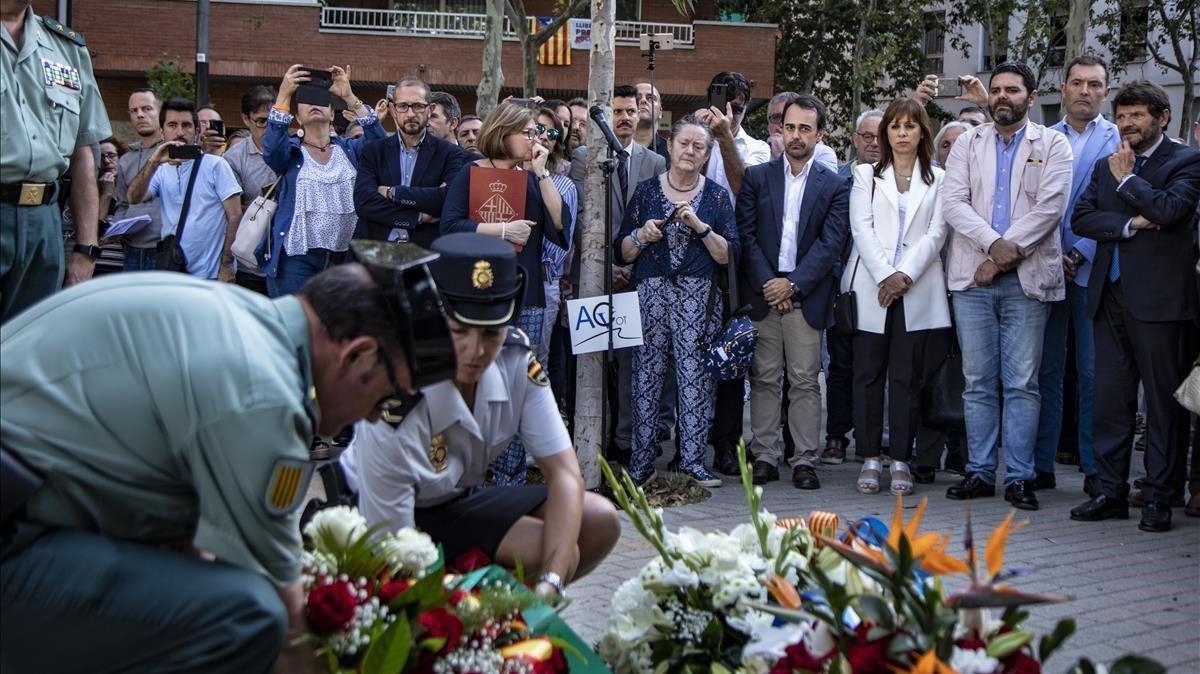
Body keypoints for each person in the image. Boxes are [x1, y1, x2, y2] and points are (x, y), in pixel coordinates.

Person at [0, 243, 441, 672]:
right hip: (14, 536)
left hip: (26, 516)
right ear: (357, 354)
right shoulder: (264, 390)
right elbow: (287, 618)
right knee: (250, 617)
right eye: (384, 396)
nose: (370, 417)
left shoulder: (238, 317)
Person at [340, 233, 619, 602]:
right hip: (374, 511)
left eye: (491, 333)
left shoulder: (515, 358)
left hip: (452, 501)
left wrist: (552, 582)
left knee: (596, 521)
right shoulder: (396, 393)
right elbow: (391, 548)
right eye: (459, 331)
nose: (476, 351)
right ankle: (473, 630)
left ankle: (517, 625)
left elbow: (565, 474)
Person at [1069, 80, 1200, 533]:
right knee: (1110, 400)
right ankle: (1109, 491)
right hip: (1109, 296)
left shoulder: (1187, 160)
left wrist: (1128, 180)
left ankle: (1161, 497)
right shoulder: (1107, 164)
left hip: (1162, 303)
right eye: (1122, 116)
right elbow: (1081, 218)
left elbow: (1170, 210)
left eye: (1137, 116)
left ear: (1161, 117)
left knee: (1163, 406)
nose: (1127, 124)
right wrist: (1129, 222)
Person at [941, 62, 1073, 511]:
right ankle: (979, 472)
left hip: (1025, 280)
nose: (1002, 97)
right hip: (971, 279)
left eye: (1012, 90)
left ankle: (1019, 477)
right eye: (995, 90)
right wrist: (993, 244)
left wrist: (999, 259)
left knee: (1022, 383)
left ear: (1031, 97)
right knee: (977, 383)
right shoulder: (966, 144)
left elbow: (1051, 209)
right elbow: (954, 203)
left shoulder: (1054, 144)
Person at [442, 102, 569, 485]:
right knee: (474, 386)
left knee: (516, 388)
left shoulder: (532, 178)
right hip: (477, 297)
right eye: (528, 133)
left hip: (524, 293)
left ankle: (509, 479)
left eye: (537, 134)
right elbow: (449, 227)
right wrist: (501, 231)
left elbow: (558, 227)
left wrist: (542, 172)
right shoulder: (468, 173)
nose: (535, 139)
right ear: (504, 131)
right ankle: (465, 474)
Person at [615, 115, 739, 487]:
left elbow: (728, 255)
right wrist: (641, 235)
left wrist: (700, 227)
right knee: (645, 376)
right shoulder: (646, 192)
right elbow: (623, 252)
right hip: (649, 293)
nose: (689, 151)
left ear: (706, 156)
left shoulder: (716, 196)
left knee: (695, 378)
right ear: (668, 147)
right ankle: (640, 463)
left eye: (698, 146)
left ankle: (692, 461)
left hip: (698, 299)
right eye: (683, 143)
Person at [739, 94, 849, 491]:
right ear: (779, 131)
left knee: (804, 381)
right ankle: (765, 455)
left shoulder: (834, 186)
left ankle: (804, 459)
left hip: (806, 295)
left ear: (820, 134)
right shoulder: (756, 177)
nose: (796, 136)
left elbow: (831, 243)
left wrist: (793, 283)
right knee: (765, 378)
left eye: (805, 128)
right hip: (764, 291)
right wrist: (772, 284)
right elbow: (746, 236)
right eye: (790, 127)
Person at [844, 98, 950, 496]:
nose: (902, 133)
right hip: (874, 289)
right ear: (886, 132)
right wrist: (886, 275)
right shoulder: (865, 174)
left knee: (907, 377)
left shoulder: (939, 178)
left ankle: (902, 458)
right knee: (868, 375)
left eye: (910, 126)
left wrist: (904, 275)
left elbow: (937, 234)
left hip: (917, 288)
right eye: (895, 126)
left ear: (923, 131)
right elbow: (861, 228)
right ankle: (871, 456)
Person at [569, 85, 668, 468]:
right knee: (593, 359)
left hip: (638, 275)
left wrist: (628, 265)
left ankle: (625, 441)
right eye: (617, 111)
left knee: (630, 363)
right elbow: (583, 220)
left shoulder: (654, 162)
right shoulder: (585, 157)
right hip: (596, 275)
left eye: (630, 110)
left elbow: (655, 220)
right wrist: (604, 267)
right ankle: (592, 438)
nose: (625, 117)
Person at [1036, 55, 1120, 497]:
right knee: (1045, 371)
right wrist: (1054, 253)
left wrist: (1080, 252)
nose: (1085, 91)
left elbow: (1116, 205)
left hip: (1095, 271)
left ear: (1106, 91)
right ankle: (1040, 464)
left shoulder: (1118, 138)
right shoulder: (1043, 138)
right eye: (1077, 83)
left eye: (1094, 84)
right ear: (1063, 89)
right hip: (1046, 269)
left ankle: (1093, 467)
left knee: (1092, 375)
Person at [0, 1, 110, 321]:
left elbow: (81, 154)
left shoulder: (67, 48)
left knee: (32, 349)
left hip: (44, 224)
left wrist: (87, 248)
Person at [695, 72, 771, 476]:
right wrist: (700, 139)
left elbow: (745, 189)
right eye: (725, 102)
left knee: (730, 351)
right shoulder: (694, 135)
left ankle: (726, 443)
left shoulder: (758, 149)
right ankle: (688, 442)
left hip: (737, 260)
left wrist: (725, 137)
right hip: (692, 253)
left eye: (739, 106)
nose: (730, 112)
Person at [258, 64, 385, 296]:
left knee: (338, 327)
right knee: (295, 325)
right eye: (306, 100)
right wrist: (284, 94)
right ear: (296, 116)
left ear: (332, 113)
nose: (314, 104)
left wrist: (349, 96)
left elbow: (380, 146)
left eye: (321, 100)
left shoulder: (350, 150)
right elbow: (271, 151)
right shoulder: (290, 153)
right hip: (296, 259)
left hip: (344, 257)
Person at [820, 108, 883, 465]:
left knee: (875, 369)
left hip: (885, 289)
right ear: (855, 139)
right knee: (840, 368)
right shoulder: (836, 180)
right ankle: (836, 436)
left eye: (879, 136)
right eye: (866, 136)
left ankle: (870, 438)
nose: (873, 143)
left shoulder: (898, 179)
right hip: (844, 289)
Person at [125, 98, 243, 282]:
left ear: (197, 132)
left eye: (186, 125)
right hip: (174, 272)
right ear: (162, 132)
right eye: (172, 125)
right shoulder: (160, 169)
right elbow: (133, 197)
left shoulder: (216, 165)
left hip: (210, 276)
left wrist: (227, 265)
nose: (180, 132)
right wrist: (154, 161)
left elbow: (235, 215)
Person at [354, 77, 470, 249]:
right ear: (393, 110)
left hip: (425, 254)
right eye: (402, 106)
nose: (410, 114)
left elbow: (446, 199)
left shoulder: (449, 153)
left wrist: (393, 193)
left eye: (417, 106)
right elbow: (364, 203)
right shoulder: (374, 151)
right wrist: (417, 217)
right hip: (374, 252)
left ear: (429, 109)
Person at [223, 84, 280, 295]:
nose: (270, 127)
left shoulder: (296, 150)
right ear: (246, 119)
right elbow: (232, 215)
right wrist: (226, 264)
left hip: (286, 263)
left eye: (274, 120)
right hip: (251, 264)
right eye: (262, 121)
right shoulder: (234, 158)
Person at [534, 107, 577, 369]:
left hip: (543, 279)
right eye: (537, 129)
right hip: (503, 278)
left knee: (537, 362)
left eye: (551, 133)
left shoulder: (564, 185)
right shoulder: (508, 173)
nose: (543, 137)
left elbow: (564, 241)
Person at [112, 88, 165, 272]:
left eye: (146, 108)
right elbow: (122, 204)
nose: (140, 115)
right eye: (134, 111)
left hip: (163, 250)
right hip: (131, 249)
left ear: (160, 112)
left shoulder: (172, 153)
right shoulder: (126, 159)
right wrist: (116, 229)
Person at [766, 91, 839, 170]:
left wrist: (782, 154)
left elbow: (822, 181)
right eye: (776, 117)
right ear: (768, 124)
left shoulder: (823, 153)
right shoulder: (759, 151)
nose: (782, 124)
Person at [94, 137, 128, 275]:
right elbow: (92, 232)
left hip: (123, 268)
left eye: (112, 155)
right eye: (101, 157)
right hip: (95, 267)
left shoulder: (129, 192)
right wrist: (106, 194)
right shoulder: (91, 193)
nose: (107, 161)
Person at [635, 82, 670, 161]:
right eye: (637, 97)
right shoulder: (613, 148)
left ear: (660, 112)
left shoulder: (671, 151)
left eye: (651, 98)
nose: (643, 100)